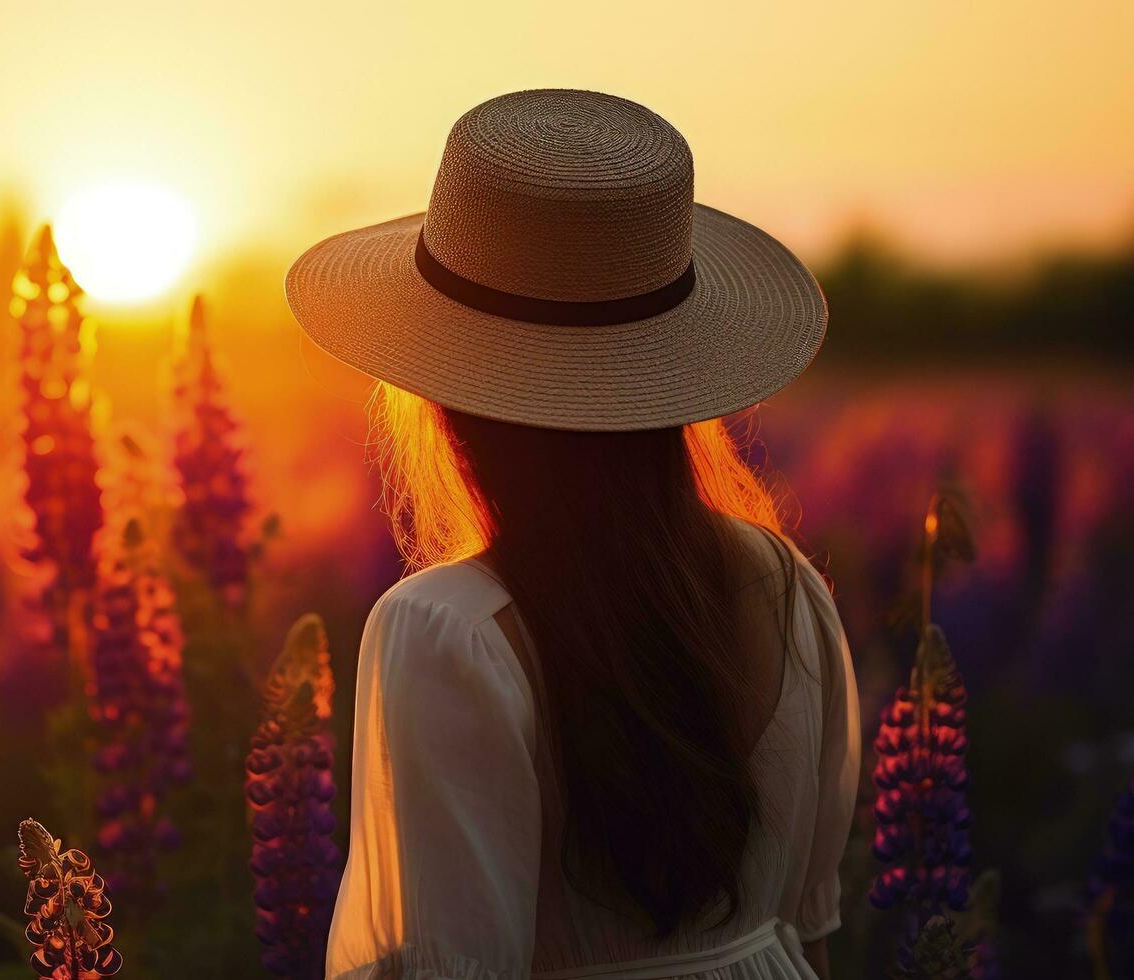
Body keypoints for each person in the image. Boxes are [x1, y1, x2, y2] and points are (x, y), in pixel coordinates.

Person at [285, 90, 860, 980]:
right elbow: (812, 942)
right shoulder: (790, 590)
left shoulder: (452, 634)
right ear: (671, 375)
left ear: (441, 391)